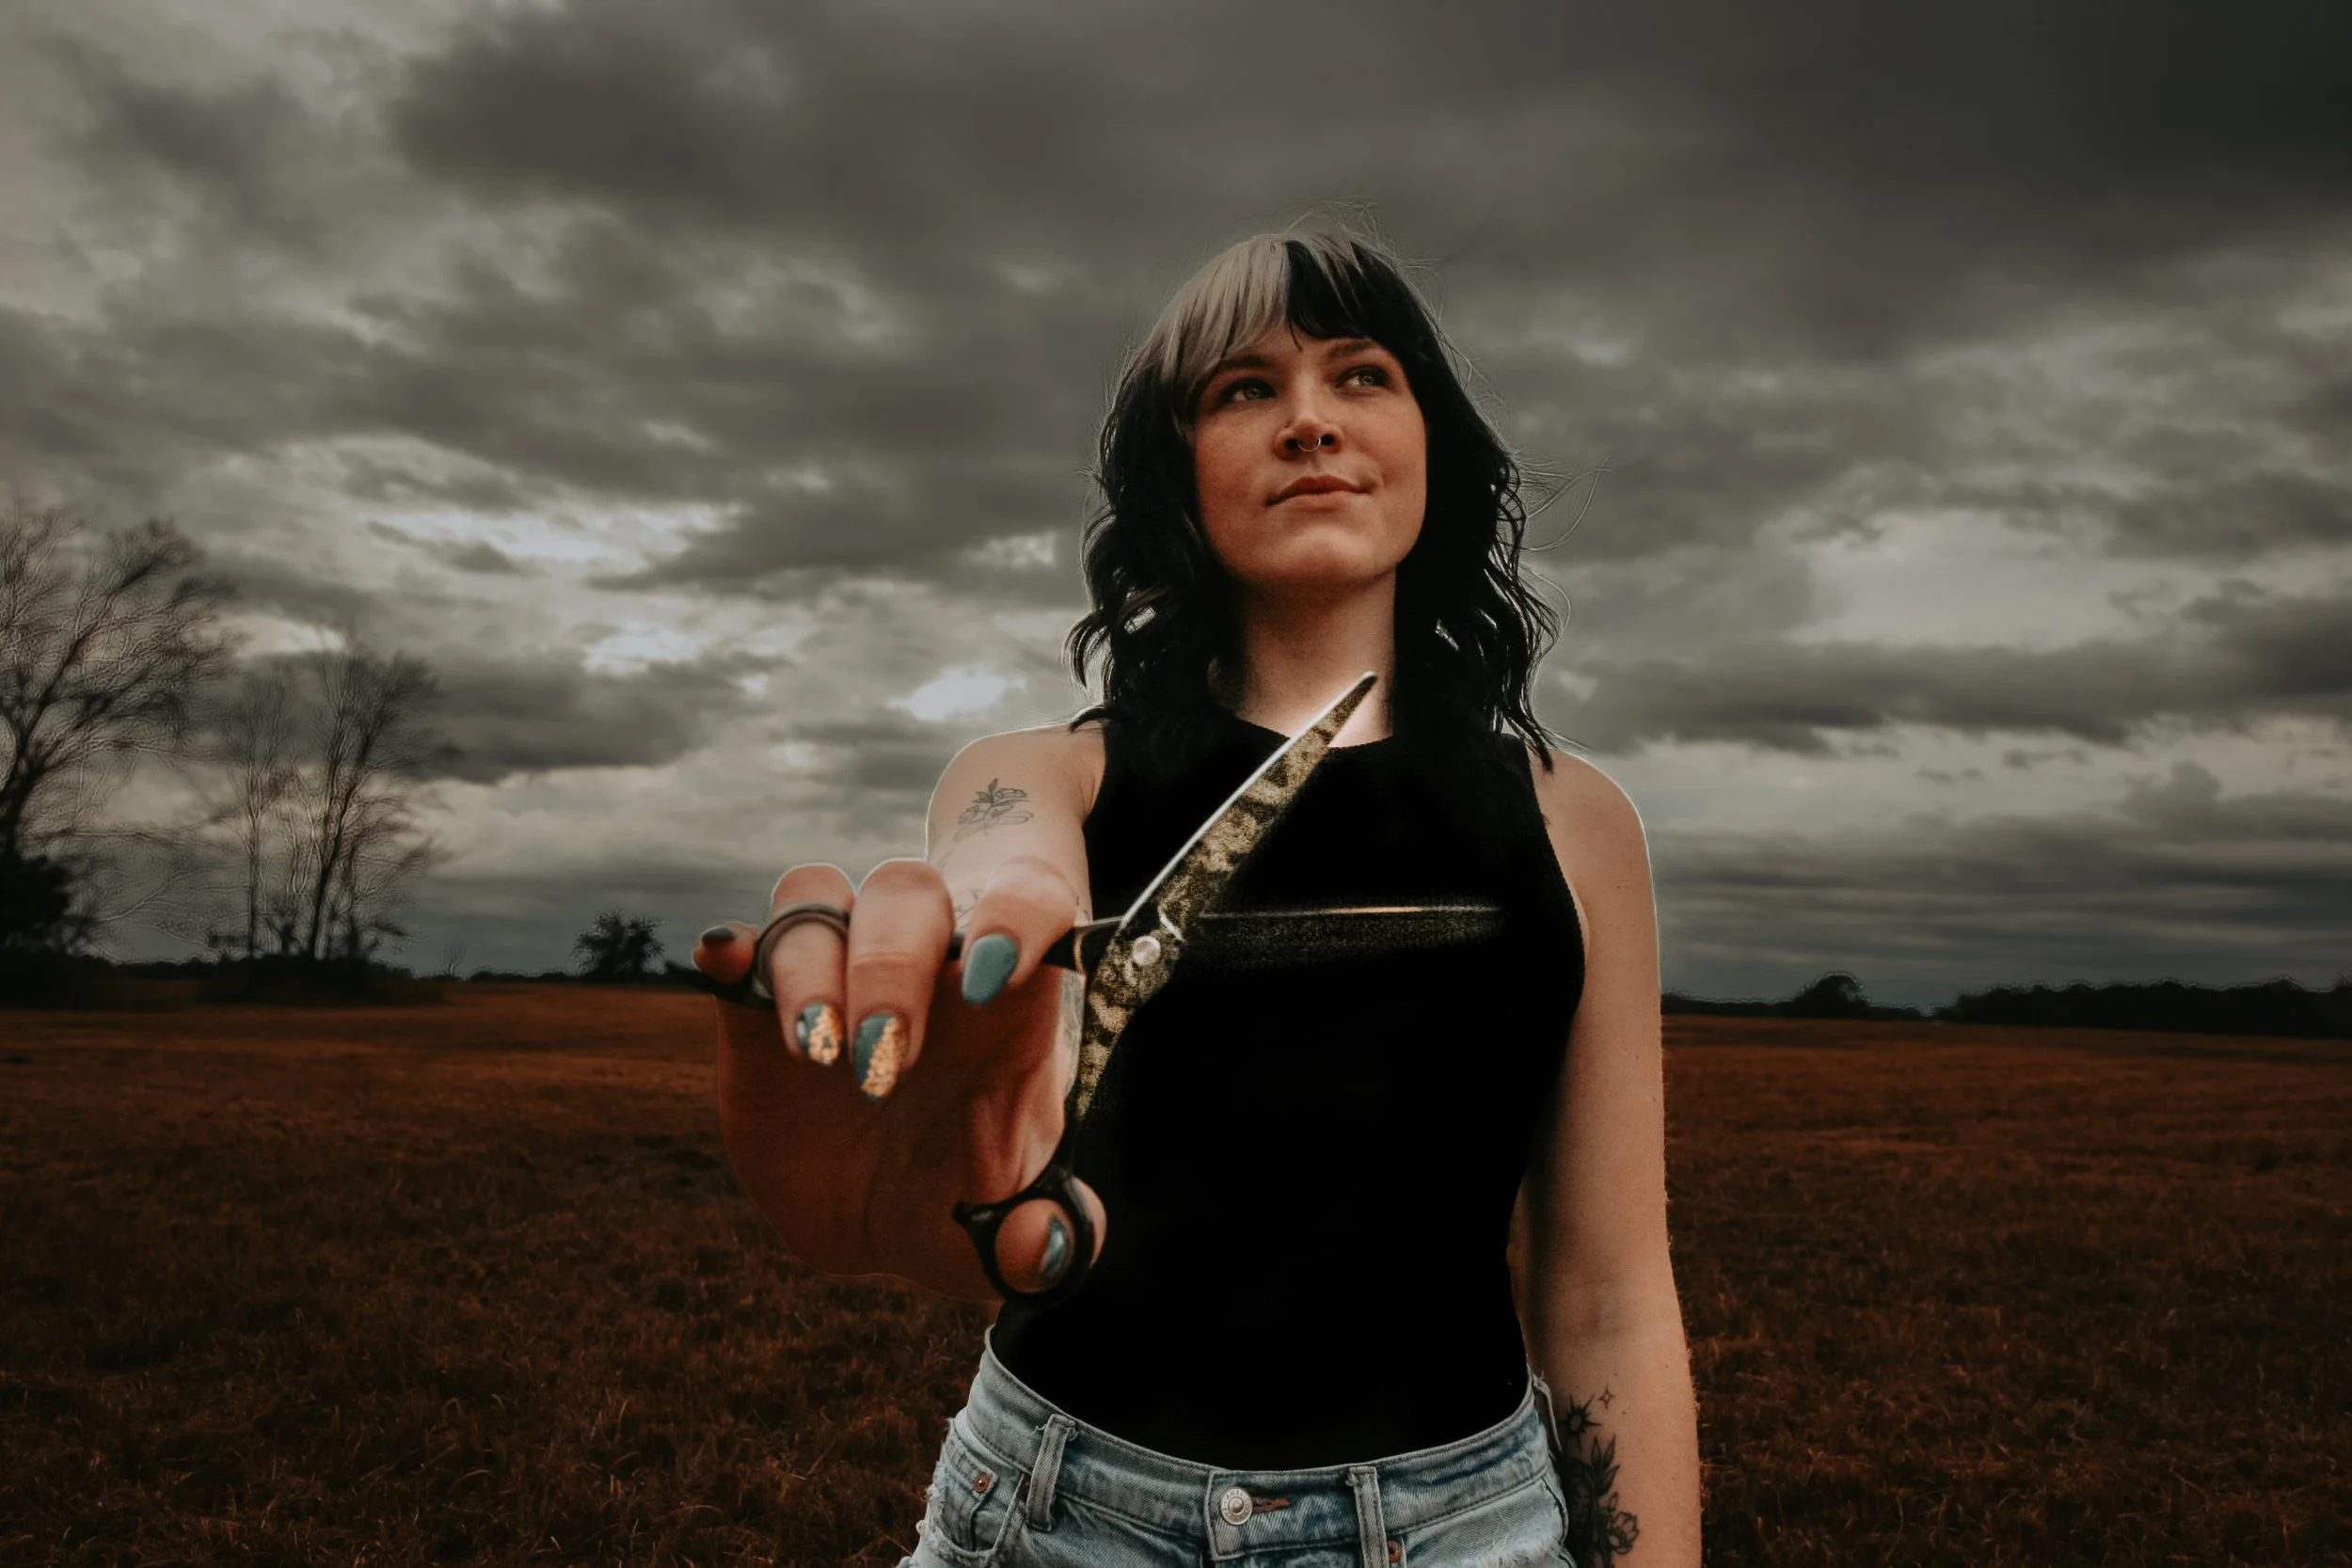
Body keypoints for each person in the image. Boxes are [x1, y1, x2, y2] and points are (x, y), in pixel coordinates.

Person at [692, 222, 1699, 1567]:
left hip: (1467, 1530)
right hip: (1060, 1514)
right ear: (1180, 475)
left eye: (1360, 375)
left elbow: (1612, 1291)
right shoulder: (1044, 774)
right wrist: (988, 933)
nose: (1307, 422)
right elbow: (1007, 858)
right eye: (1243, 389)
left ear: (1432, 444)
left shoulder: (1576, 822)